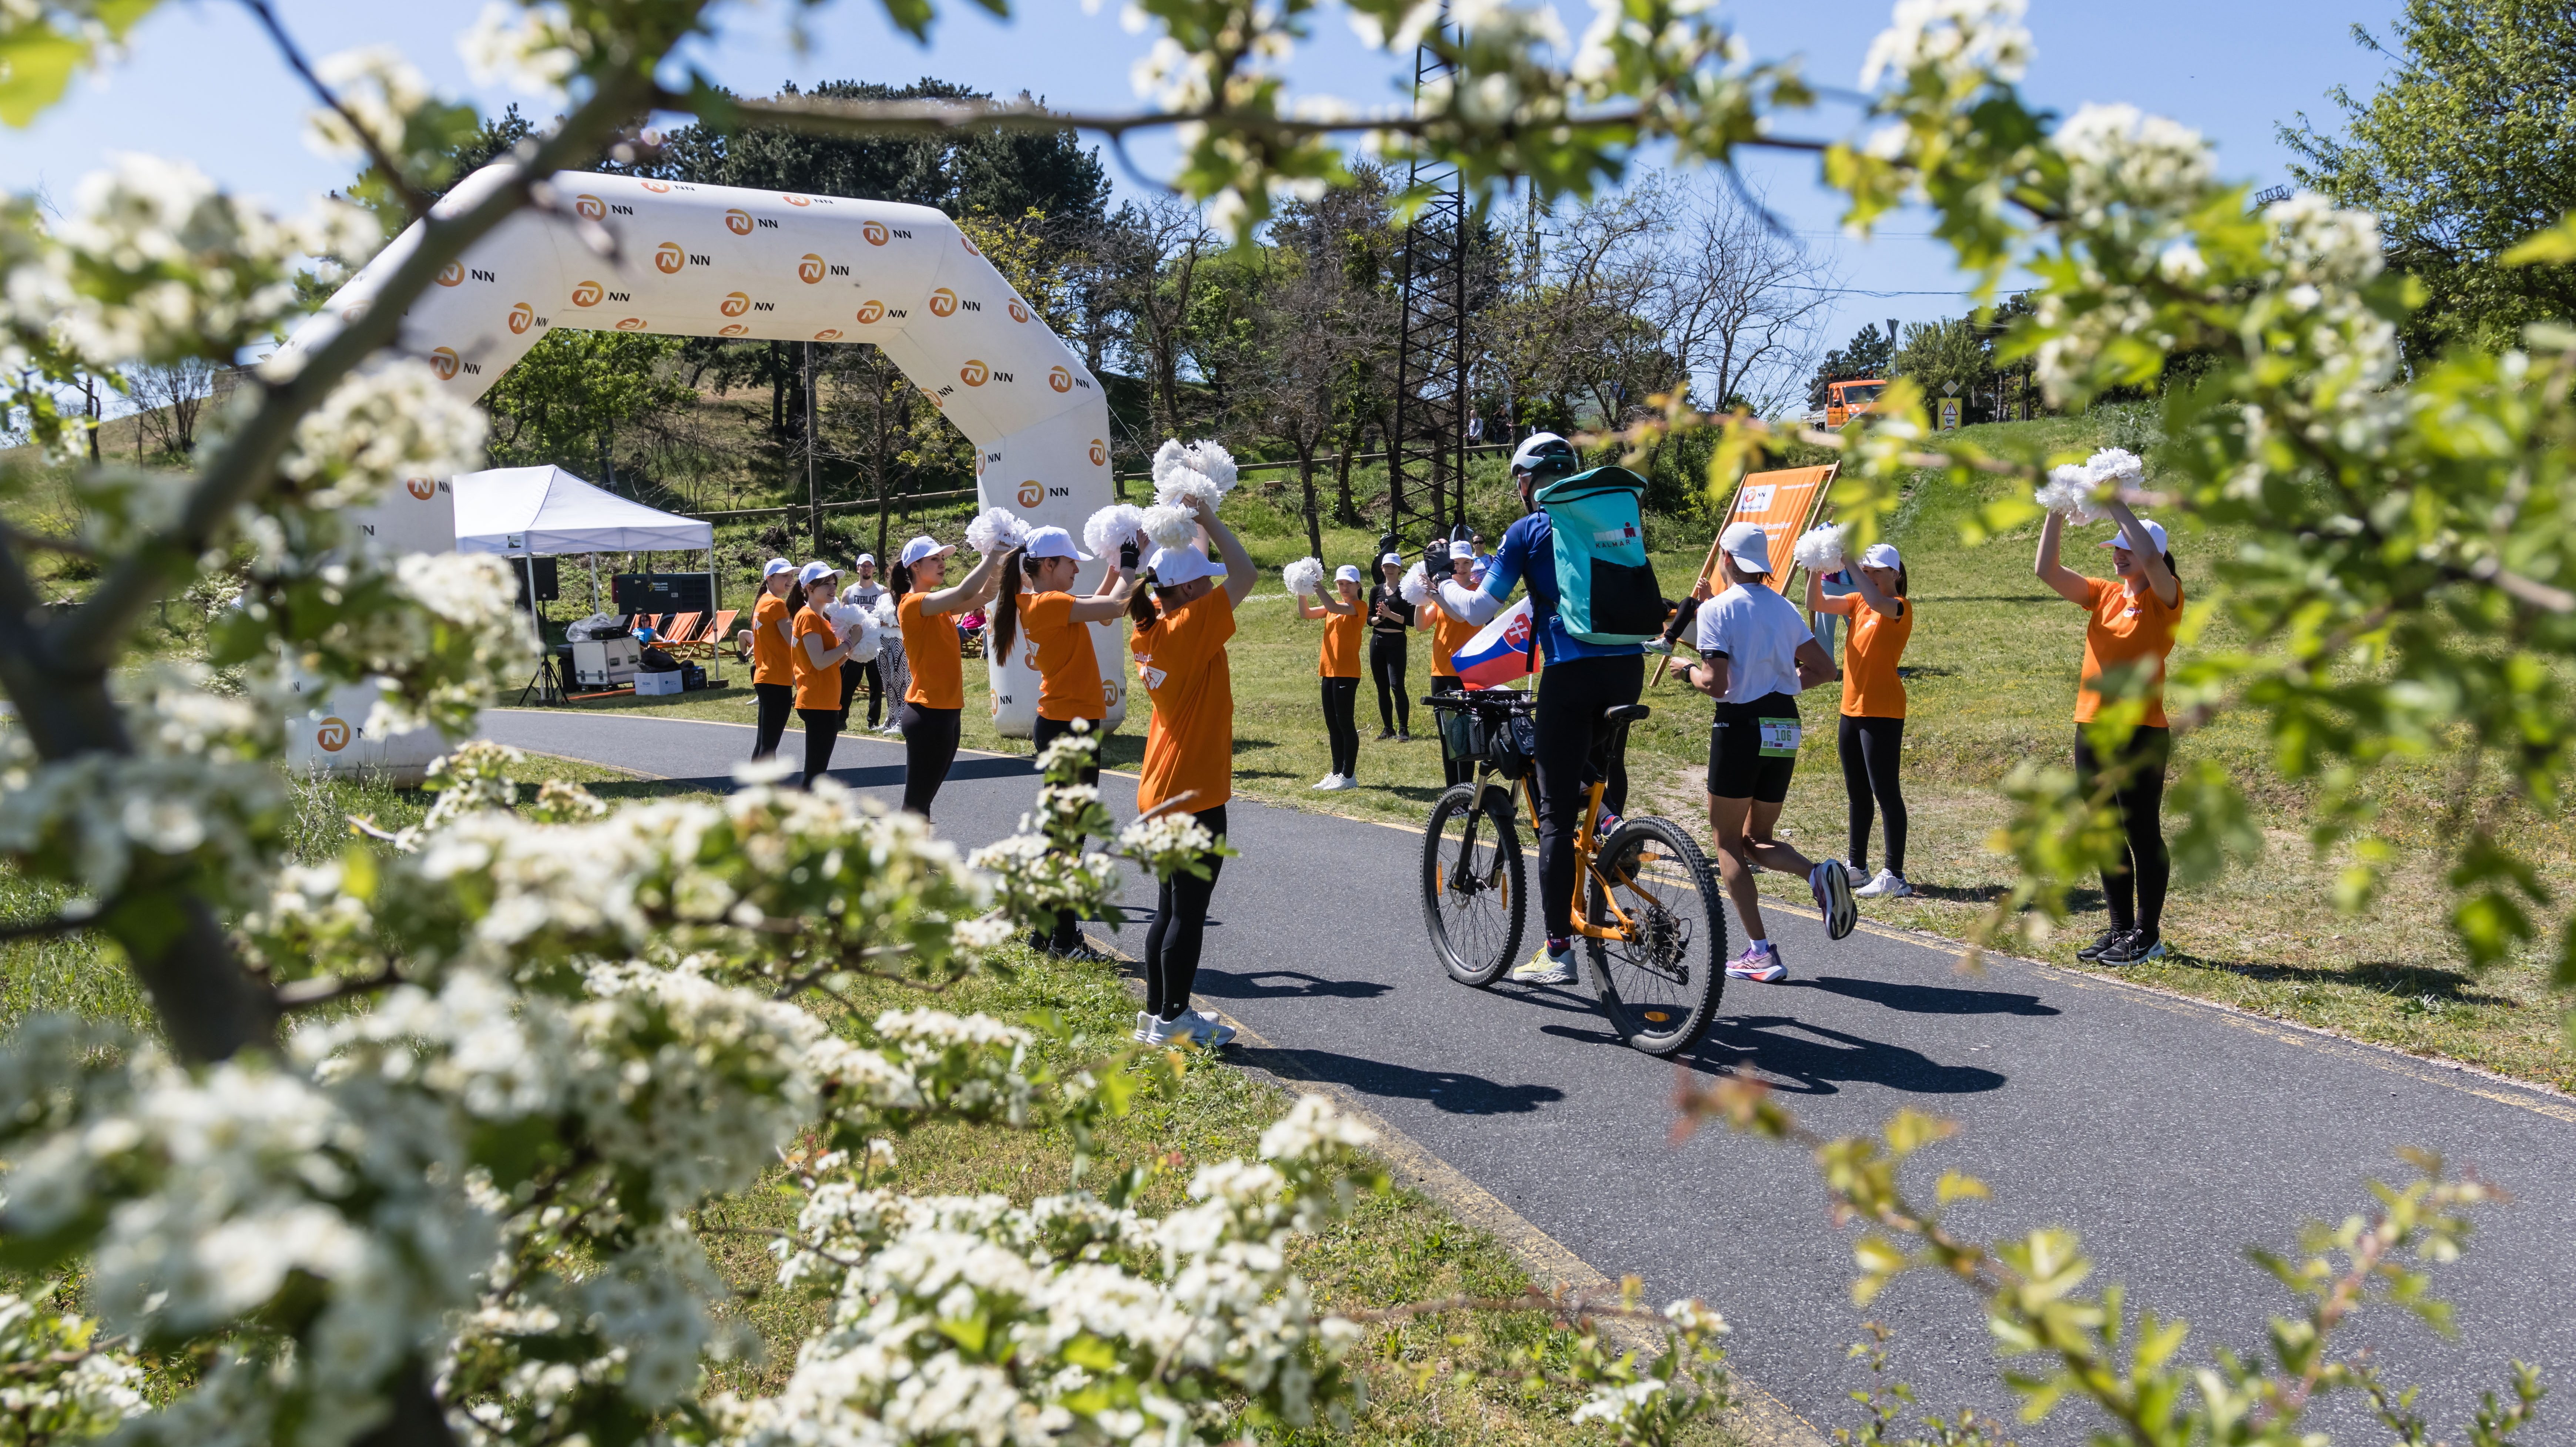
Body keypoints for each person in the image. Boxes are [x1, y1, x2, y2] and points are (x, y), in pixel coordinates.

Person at [1434, 433, 1646, 987]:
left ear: (1528, 481)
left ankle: (1557, 950)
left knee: (1552, 813)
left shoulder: (1529, 529)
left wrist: (1437, 584)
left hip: (1572, 670)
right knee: (1592, 772)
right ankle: (1617, 829)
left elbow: (1481, 606)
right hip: (1627, 665)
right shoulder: (1605, 516)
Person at [1666, 521, 1858, 983]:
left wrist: (1687, 670)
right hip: (1783, 723)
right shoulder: (1783, 607)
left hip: (1739, 725)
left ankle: (1760, 951)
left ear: (1727, 560)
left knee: (1728, 842)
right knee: (1758, 838)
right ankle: (1817, 875)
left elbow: (1718, 684)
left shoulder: (1717, 611)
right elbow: (1827, 669)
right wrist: (1787, 684)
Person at [1125, 491, 1257, 1048]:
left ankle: (1157, 1016)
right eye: (1202, 583)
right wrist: (1206, 517)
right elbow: (1247, 574)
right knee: (1189, 913)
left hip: (1161, 786)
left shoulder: (1151, 628)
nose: (1211, 588)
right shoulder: (1185, 628)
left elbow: (1201, 572)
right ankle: (1176, 1020)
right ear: (1183, 592)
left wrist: (1182, 524)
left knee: (1169, 907)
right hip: (1192, 791)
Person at [2035, 497, 2181, 966]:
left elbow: (2155, 563)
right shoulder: (2105, 593)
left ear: (2148, 553)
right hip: (2091, 726)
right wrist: (2055, 506)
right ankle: (2121, 929)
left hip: (2139, 732)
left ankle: (2148, 934)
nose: (2118, 555)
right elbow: (2047, 570)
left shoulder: (2166, 596)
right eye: (2114, 548)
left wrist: (2117, 503)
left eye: (2126, 548)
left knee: (2141, 833)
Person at [989, 524, 1138, 957]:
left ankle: (1044, 931)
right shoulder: (1050, 603)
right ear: (1049, 565)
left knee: (1062, 833)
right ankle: (1065, 940)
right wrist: (1129, 564)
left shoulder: (1041, 600)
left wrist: (1116, 568)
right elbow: (1117, 604)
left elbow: (1103, 608)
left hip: (1064, 726)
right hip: (1069, 729)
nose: (1077, 568)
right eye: (1071, 561)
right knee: (1069, 838)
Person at [1807, 542, 1915, 899]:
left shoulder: (1899, 608)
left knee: (1886, 792)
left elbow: (1879, 602)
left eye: (1875, 571)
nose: (1867, 576)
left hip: (1882, 710)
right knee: (1857, 792)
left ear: (1895, 574)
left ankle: (1895, 875)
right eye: (1865, 571)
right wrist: (1813, 566)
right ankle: (1857, 867)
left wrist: (1851, 562)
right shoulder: (1857, 602)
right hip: (1850, 708)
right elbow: (1816, 603)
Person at [893, 531, 1003, 820]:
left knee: (924, 800)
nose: (942, 564)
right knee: (916, 802)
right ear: (915, 567)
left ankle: (917, 864)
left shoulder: (937, 606)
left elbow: (986, 594)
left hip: (947, 712)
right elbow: (966, 593)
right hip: (928, 713)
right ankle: (906, 864)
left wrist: (1002, 559)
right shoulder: (912, 604)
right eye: (934, 559)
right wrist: (992, 555)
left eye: (943, 559)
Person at [790, 561, 863, 787]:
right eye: (826, 585)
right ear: (810, 588)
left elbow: (833, 662)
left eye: (834, 583)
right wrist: (851, 642)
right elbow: (820, 662)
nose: (832, 589)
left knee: (818, 770)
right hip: (817, 701)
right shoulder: (808, 617)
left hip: (826, 701)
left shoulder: (820, 618)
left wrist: (851, 650)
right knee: (815, 771)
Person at [1417, 541, 1483, 787]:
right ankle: (1452, 794)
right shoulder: (1443, 591)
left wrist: (1435, 593)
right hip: (1440, 670)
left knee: (1464, 735)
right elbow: (1422, 625)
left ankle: (1465, 794)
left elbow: (1461, 614)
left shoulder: (1476, 592)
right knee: (1446, 736)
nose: (1462, 567)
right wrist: (1418, 597)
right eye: (1457, 563)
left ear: (1473, 564)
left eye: (1466, 562)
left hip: (1465, 672)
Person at [1297, 564, 1365, 790]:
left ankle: (1349, 776)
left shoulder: (1359, 606)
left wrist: (1315, 585)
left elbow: (1331, 604)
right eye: (1340, 584)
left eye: (1348, 583)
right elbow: (1305, 614)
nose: (1344, 587)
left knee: (1345, 723)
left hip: (1347, 672)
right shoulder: (1332, 609)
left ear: (1358, 585)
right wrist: (1301, 588)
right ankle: (1337, 772)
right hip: (1328, 671)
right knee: (1333, 725)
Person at [744, 557, 798, 763]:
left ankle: (756, 789)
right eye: (785, 576)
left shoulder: (763, 602)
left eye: (791, 576)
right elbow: (793, 641)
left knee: (764, 742)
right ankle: (766, 791)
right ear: (770, 578)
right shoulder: (776, 604)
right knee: (769, 745)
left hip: (767, 676)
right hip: (776, 678)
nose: (790, 580)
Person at [1366, 551, 1416, 742]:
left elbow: (1410, 621)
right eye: (1387, 567)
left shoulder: (1406, 592)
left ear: (1400, 569)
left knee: (1397, 686)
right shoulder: (1375, 590)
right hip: (1378, 641)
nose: (1390, 570)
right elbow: (1369, 619)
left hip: (1396, 642)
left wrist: (1389, 614)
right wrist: (1379, 618)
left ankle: (1404, 730)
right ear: (1382, 569)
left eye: (1393, 567)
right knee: (1382, 687)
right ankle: (1388, 729)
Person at [840, 554, 888, 729]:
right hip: (854, 645)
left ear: (874, 569)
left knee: (877, 684)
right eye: (863, 566)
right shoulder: (849, 591)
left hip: (876, 645)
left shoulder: (883, 591)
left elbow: (890, 616)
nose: (866, 569)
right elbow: (841, 618)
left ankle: (873, 721)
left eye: (870, 566)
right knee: (848, 684)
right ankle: (841, 718)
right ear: (858, 568)